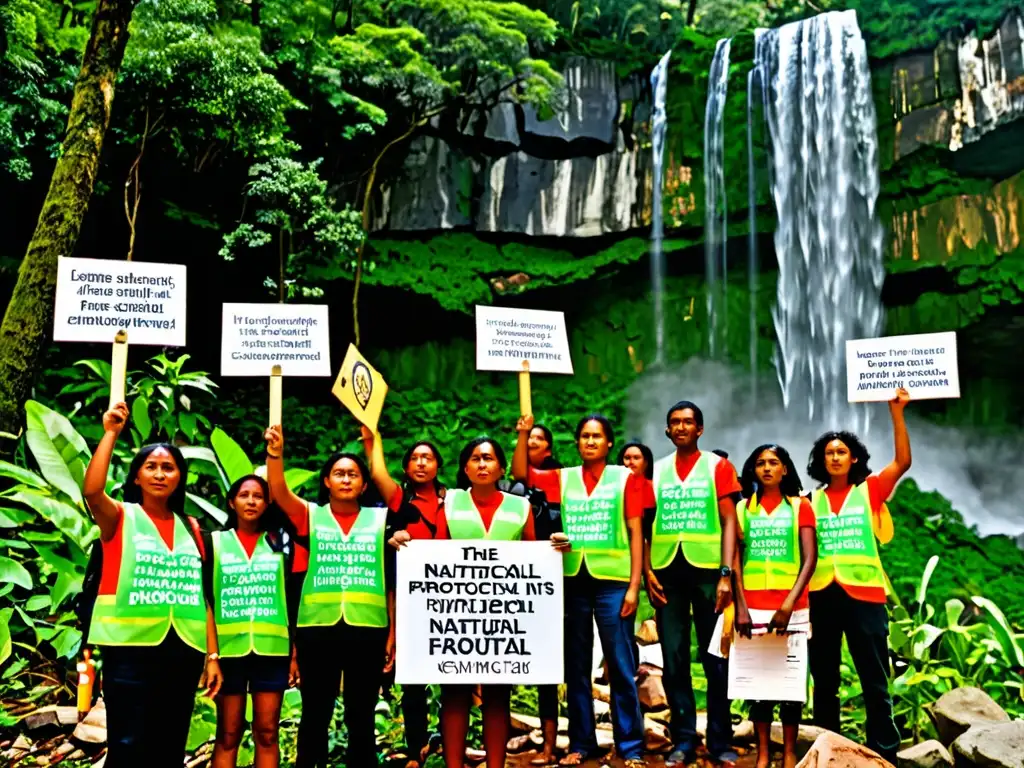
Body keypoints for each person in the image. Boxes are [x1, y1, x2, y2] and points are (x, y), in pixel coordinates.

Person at [82, 402, 222, 768]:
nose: (160, 474)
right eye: (151, 467)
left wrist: (212, 656)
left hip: (182, 651)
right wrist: (111, 432)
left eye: (168, 468)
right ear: (136, 477)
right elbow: (93, 492)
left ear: (179, 477)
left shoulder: (193, 529)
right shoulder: (120, 517)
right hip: (129, 653)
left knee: (169, 745)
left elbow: (201, 596)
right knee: (128, 744)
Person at [391, 437, 540, 768]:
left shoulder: (521, 507)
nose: (483, 464)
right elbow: (438, 551)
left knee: (498, 694)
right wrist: (405, 540)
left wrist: (554, 547)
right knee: (455, 693)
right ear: (465, 468)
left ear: (502, 467)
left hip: (504, 617)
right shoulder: (452, 504)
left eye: (489, 458)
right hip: (458, 618)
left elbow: (534, 556)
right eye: (475, 458)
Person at [512, 414, 648, 768]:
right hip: (573, 580)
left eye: (597, 436)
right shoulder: (565, 477)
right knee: (575, 666)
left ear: (608, 443)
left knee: (620, 664)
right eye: (584, 436)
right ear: (577, 443)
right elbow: (523, 474)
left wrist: (635, 586)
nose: (590, 442)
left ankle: (631, 746)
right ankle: (582, 743)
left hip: (614, 582)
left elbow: (636, 532)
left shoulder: (625, 479)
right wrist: (524, 434)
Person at [264, 424, 401, 768]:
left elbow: (389, 584)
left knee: (362, 715)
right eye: (338, 473)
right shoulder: (310, 515)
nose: (345, 479)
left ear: (363, 484)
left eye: (353, 474)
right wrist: (275, 455)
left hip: (368, 628)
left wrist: (393, 632)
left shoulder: (379, 520)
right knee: (315, 712)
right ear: (326, 481)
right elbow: (278, 492)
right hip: (318, 629)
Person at [805, 389, 912, 764]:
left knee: (874, 679)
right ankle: (826, 749)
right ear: (821, 460)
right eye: (828, 452)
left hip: (865, 595)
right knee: (825, 680)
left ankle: (885, 754)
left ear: (853, 459)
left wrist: (895, 412)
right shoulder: (809, 500)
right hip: (821, 595)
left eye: (841, 452)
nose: (834, 457)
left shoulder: (870, 491)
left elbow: (902, 461)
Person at [645, 400, 741, 767]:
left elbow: (730, 522)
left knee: (715, 657)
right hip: (667, 570)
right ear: (668, 431)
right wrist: (647, 571)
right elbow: (646, 521)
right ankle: (682, 739)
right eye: (675, 422)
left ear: (700, 429)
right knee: (673, 657)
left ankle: (720, 740)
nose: (681, 427)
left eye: (688, 422)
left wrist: (725, 574)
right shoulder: (657, 471)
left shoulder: (718, 467)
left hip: (707, 572)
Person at [362, 428, 445, 768]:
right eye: (415, 458)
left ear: (438, 465)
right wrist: (371, 437)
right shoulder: (401, 502)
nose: (421, 463)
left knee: (454, 679)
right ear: (407, 467)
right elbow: (378, 473)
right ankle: (416, 750)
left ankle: (448, 745)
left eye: (428, 457)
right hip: (411, 603)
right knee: (412, 681)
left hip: (453, 599)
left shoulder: (454, 501)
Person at [732, 445, 818, 768]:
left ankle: (791, 752)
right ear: (753, 470)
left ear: (785, 469)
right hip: (752, 607)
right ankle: (764, 753)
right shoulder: (743, 509)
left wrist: (789, 603)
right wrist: (740, 605)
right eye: (760, 463)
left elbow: (810, 558)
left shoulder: (800, 506)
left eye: (774, 463)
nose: (767, 468)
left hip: (791, 607)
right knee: (759, 684)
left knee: (790, 683)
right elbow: (735, 559)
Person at [205, 475, 297, 768]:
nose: (251, 501)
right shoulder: (214, 543)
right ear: (232, 502)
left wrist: (295, 652)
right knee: (228, 734)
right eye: (244, 495)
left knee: (267, 733)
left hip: (272, 651)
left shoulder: (281, 543)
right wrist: (212, 656)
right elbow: (206, 601)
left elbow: (293, 599)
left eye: (258, 495)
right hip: (229, 652)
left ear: (267, 502)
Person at [523, 426, 563, 766]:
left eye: (536, 438)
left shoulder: (558, 478)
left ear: (549, 447)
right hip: (521, 584)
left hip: (555, 580)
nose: (530, 442)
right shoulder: (514, 491)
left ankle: (552, 745)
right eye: (525, 439)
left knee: (551, 667)